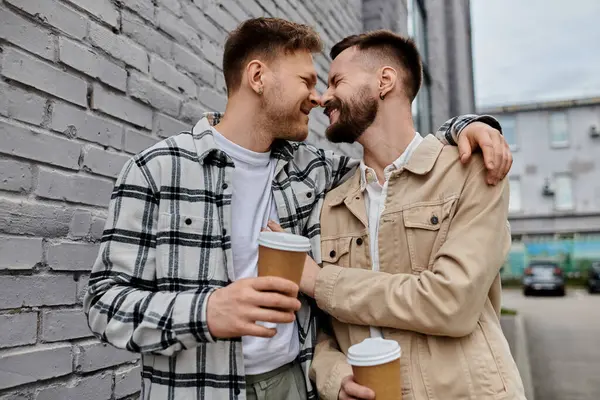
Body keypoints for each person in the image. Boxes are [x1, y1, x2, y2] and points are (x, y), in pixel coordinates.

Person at [83, 18, 512, 400]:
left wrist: (468, 127)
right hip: (198, 385)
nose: (318, 97)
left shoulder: (312, 172)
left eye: (326, 82)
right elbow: (103, 302)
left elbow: (398, 156)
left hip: (294, 381)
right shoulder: (159, 169)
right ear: (257, 76)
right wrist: (208, 311)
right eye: (307, 81)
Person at [271, 30, 525, 400]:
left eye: (337, 81)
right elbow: (324, 329)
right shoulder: (333, 202)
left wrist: (318, 281)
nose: (325, 97)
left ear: (384, 81)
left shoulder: (472, 171)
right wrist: (336, 377)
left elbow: (451, 302)